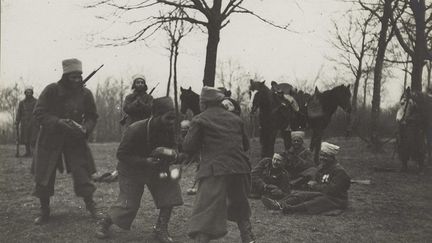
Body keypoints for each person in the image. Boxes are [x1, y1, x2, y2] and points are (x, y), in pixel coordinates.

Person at [96, 97, 183, 243]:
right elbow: (121, 154)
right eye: (168, 118)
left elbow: (175, 148)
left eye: (174, 118)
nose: (172, 122)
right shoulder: (135, 129)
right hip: (131, 170)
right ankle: (104, 223)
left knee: (170, 192)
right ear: (156, 115)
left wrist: (172, 154)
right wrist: (145, 161)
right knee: (128, 205)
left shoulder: (170, 128)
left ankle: (160, 228)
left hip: (156, 168)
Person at [183, 86, 255, 243]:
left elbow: (188, 147)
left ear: (204, 103)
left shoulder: (200, 119)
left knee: (205, 212)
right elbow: (246, 145)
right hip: (240, 169)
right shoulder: (236, 119)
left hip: (215, 171)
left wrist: (187, 133)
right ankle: (249, 239)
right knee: (240, 207)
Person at [31, 58, 99, 225]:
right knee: (44, 174)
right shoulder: (52, 90)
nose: (76, 80)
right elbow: (39, 112)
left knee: (82, 171)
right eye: (72, 77)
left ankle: (92, 207)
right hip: (50, 137)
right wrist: (57, 122)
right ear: (65, 76)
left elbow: (92, 116)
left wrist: (85, 128)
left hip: (74, 138)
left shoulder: (85, 93)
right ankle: (44, 210)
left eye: (79, 76)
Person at [261, 142, 351, 215]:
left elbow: (332, 190)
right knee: (300, 194)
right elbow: (318, 182)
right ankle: (278, 204)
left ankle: (290, 209)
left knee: (317, 201)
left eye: (325, 156)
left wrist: (315, 186)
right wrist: (313, 184)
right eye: (321, 155)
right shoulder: (322, 167)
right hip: (323, 193)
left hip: (337, 199)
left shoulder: (339, 171)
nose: (322, 158)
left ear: (332, 157)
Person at [15, 86, 39, 157]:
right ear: (25, 93)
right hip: (25, 123)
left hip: (34, 122)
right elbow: (19, 113)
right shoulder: (22, 103)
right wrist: (17, 121)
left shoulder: (36, 102)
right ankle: (28, 152)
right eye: (27, 92)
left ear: (32, 93)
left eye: (30, 92)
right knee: (26, 138)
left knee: (34, 138)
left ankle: (34, 153)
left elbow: (39, 112)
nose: (28, 93)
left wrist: (40, 121)